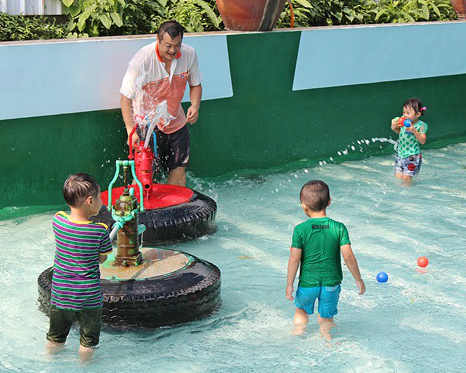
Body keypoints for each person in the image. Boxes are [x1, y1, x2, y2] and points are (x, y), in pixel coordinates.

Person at [120, 20, 203, 186]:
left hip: (176, 122)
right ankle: (144, 206)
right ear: (158, 39)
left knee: (179, 168)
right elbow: (125, 98)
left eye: (177, 45)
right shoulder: (142, 61)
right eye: (168, 45)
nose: (173, 50)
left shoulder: (189, 54)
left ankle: (175, 208)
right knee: (144, 171)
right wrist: (131, 131)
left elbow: (195, 84)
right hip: (147, 125)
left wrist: (194, 106)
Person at [286, 180, 366, 339]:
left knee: (301, 312)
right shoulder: (339, 227)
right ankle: (328, 340)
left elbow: (294, 259)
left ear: (304, 206)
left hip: (308, 283)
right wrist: (358, 279)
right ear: (329, 202)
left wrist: (289, 284)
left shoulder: (300, 229)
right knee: (326, 319)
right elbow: (348, 256)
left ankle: (298, 335)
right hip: (331, 284)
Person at [46, 173, 112, 360]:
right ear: (90, 201)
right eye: (99, 196)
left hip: (61, 294)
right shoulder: (100, 231)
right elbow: (102, 258)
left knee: (55, 340)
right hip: (89, 298)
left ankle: (49, 364)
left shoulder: (57, 221)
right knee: (87, 345)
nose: (101, 200)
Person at [390, 98, 428, 182]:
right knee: (398, 176)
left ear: (417, 114)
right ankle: (403, 191)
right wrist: (394, 127)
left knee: (406, 178)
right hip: (401, 154)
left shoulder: (421, 125)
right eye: (404, 112)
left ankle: (408, 192)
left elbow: (422, 141)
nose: (404, 115)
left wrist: (414, 131)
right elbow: (401, 133)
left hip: (412, 156)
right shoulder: (403, 122)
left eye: (408, 113)